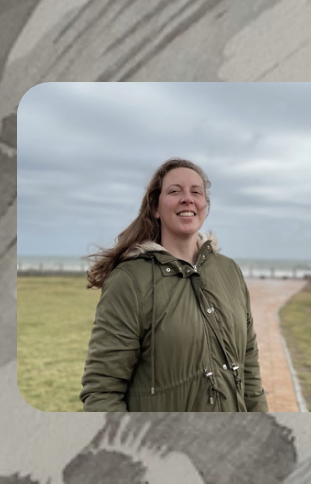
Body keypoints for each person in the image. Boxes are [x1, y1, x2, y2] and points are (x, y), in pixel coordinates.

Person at [80, 157, 268, 411]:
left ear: (205, 206)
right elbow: (102, 392)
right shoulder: (129, 280)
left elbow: (249, 368)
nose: (187, 199)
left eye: (196, 192)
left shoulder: (229, 271)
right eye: (174, 191)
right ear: (155, 208)